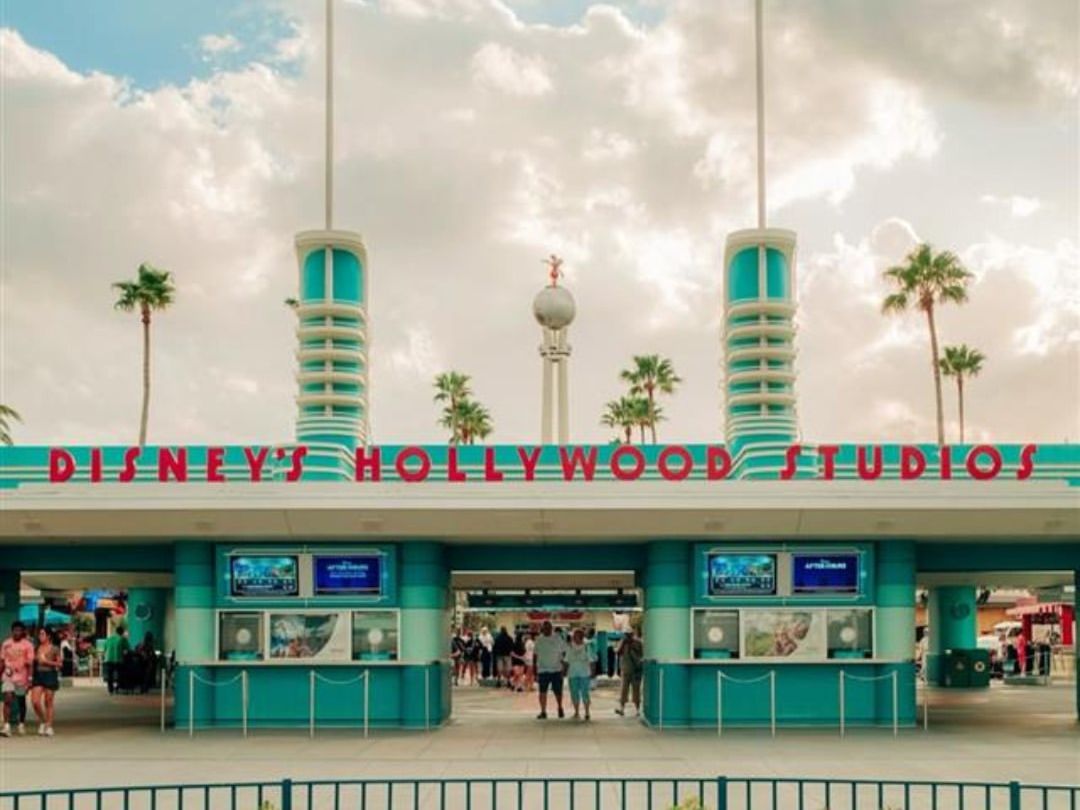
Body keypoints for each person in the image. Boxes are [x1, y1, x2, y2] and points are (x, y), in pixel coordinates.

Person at [1, 621, 34, 737]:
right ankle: (6, 726)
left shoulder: (28, 645)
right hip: (8, 675)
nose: (17, 633)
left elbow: (30, 664)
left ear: (22, 632)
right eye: (15, 630)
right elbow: (2, 661)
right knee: (8, 698)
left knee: (21, 701)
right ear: (12, 631)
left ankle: (21, 724)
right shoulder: (6, 644)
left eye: (19, 631)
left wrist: (30, 679)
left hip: (22, 677)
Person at [30, 628, 61, 737]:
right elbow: (33, 662)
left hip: (50, 675)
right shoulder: (37, 648)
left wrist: (46, 661)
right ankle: (43, 721)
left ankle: (49, 726)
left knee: (48, 701)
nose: (40, 636)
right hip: (38, 675)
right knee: (35, 701)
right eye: (39, 634)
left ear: (48, 636)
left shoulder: (54, 648)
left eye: (42, 634)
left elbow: (59, 664)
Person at [533, 620, 566, 720]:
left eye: (548, 628)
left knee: (558, 692)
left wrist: (564, 667)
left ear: (551, 628)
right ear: (542, 629)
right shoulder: (538, 640)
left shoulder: (558, 638)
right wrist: (535, 669)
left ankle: (560, 707)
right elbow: (535, 655)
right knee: (542, 692)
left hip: (556, 669)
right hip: (543, 670)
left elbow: (564, 653)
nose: (546, 630)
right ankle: (543, 711)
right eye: (545, 628)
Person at [614, 629, 644, 717]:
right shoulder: (623, 643)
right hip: (625, 670)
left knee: (636, 691)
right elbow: (618, 652)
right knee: (624, 690)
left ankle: (637, 709)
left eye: (629, 634)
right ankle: (622, 708)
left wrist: (632, 647)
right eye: (626, 634)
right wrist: (623, 644)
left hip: (635, 670)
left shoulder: (638, 643)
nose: (627, 636)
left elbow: (641, 655)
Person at [565, 628, 593, 721]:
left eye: (577, 636)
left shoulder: (587, 646)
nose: (575, 638)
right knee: (574, 693)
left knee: (585, 693)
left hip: (584, 673)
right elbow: (567, 661)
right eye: (574, 636)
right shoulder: (569, 647)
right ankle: (576, 712)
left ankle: (587, 712)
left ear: (581, 637)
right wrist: (564, 672)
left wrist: (592, 672)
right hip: (572, 674)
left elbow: (591, 660)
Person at [102, 626, 130, 695]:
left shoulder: (109, 638)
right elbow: (127, 649)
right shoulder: (122, 639)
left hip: (108, 659)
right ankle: (118, 688)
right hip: (118, 659)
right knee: (121, 674)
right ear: (122, 632)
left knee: (110, 675)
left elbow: (105, 649)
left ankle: (110, 690)